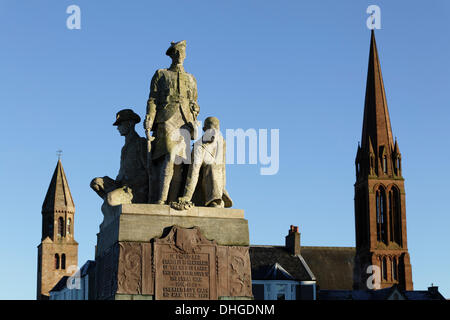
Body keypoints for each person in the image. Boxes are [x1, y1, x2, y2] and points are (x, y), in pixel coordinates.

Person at [144, 40, 200, 204]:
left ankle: (173, 201)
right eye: (177, 52)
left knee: (179, 163)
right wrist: (149, 119)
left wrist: (195, 112)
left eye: (182, 53)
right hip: (166, 118)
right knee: (169, 155)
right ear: (172, 55)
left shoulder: (191, 78)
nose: (180, 55)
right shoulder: (161, 74)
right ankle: (161, 199)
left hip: (186, 121)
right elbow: (152, 99)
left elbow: (194, 101)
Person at [90, 109, 148, 212]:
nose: (118, 128)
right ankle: (113, 205)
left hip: (134, 189)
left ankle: (115, 201)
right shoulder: (124, 148)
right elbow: (122, 171)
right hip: (120, 183)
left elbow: (148, 172)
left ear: (129, 124)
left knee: (111, 198)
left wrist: (132, 184)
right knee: (96, 182)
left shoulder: (140, 143)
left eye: (120, 124)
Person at [175, 117, 232, 209]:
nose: (214, 133)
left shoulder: (221, 142)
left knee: (214, 166)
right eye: (211, 129)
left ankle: (217, 199)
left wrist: (222, 191)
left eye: (216, 129)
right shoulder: (199, 146)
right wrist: (187, 196)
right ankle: (214, 200)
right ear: (205, 130)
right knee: (211, 166)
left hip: (216, 185)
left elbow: (223, 169)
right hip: (198, 185)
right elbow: (193, 172)